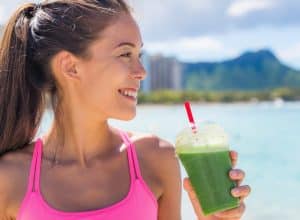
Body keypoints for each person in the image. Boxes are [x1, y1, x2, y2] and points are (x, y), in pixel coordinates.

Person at [0, 0, 251, 219]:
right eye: (125, 54)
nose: (141, 72)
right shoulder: (9, 178)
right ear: (71, 67)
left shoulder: (157, 159)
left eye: (139, 55)